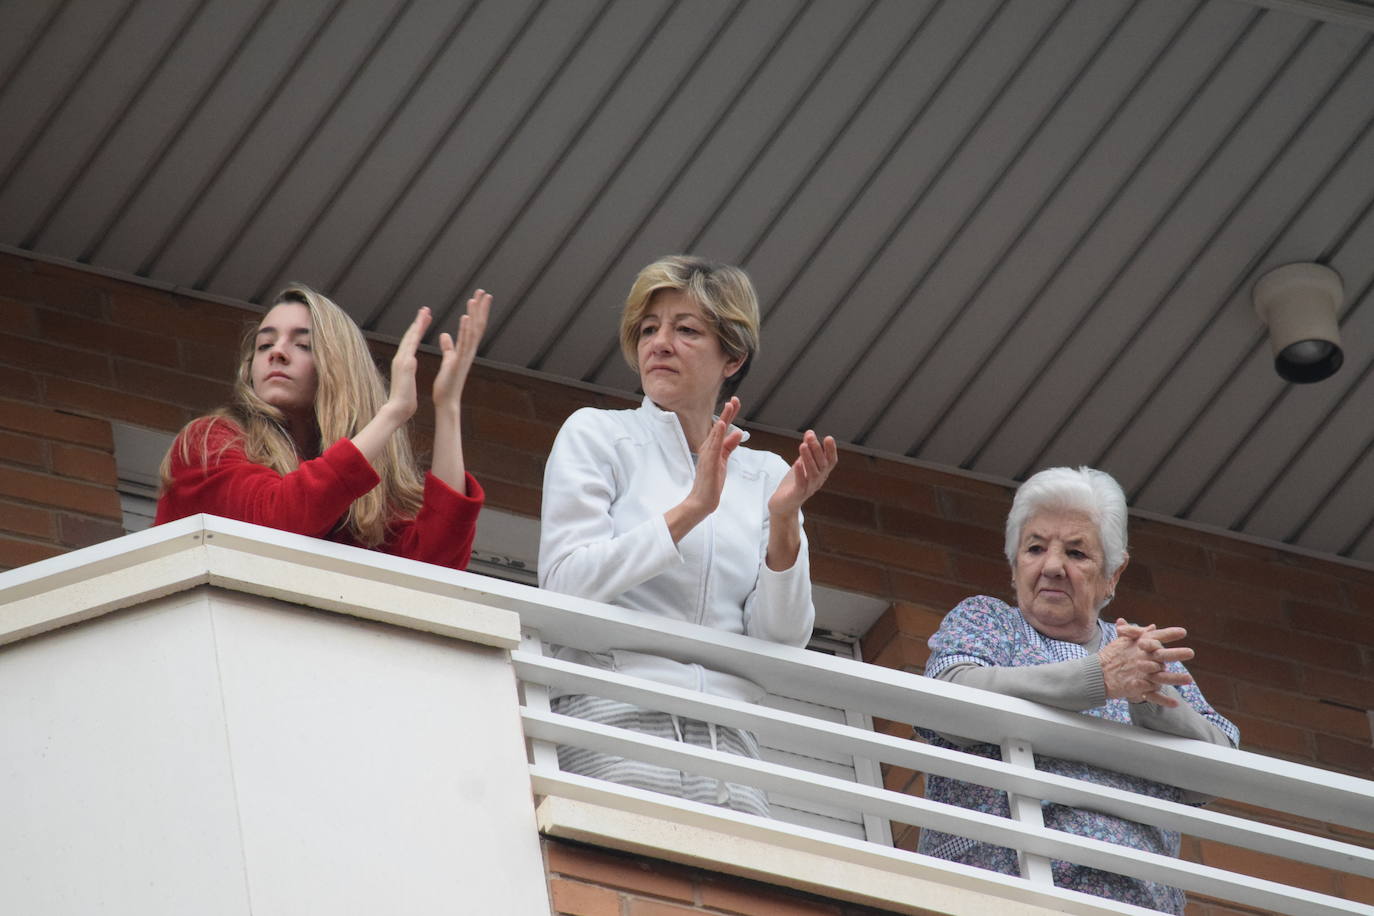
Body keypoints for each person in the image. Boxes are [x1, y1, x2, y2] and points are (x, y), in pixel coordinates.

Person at [538, 255, 838, 816]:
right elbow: (564, 584)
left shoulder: (767, 474)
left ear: (734, 356)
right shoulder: (598, 434)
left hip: (732, 755)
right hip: (612, 724)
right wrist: (692, 510)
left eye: (686, 329)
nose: (660, 343)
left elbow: (781, 641)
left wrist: (784, 527)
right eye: (649, 329)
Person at [918, 466, 1239, 913]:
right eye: (1034, 548)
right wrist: (1096, 679)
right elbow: (948, 693)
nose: (1052, 566)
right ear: (1014, 563)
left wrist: (1146, 697)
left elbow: (1219, 763)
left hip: (1134, 900)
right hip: (997, 886)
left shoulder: (1139, 655)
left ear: (1112, 573)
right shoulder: (990, 621)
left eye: (1076, 553)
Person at [156, 284, 488, 570]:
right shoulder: (210, 441)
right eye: (264, 345)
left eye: (303, 345)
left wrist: (448, 407)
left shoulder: (360, 500)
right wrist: (391, 414)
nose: (278, 354)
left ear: (340, 370)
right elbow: (275, 524)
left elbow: (435, 564)